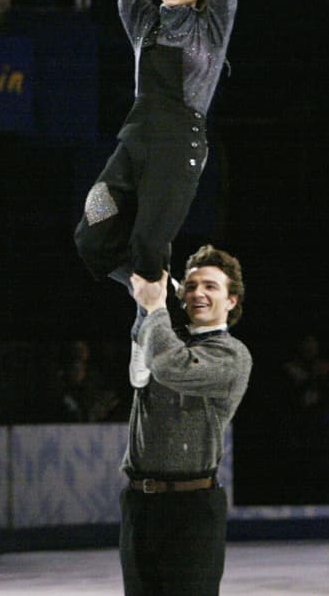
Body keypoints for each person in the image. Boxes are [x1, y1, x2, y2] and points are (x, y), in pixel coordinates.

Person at [74, 0, 246, 289]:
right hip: (135, 141)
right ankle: (158, 295)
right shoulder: (145, 22)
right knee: (92, 235)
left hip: (178, 145)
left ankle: (168, 323)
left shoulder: (212, 25)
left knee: (150, 246)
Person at [119, 245, 252, 596]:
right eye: (191, 286)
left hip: (191, 511)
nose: (198, 294)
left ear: (232, 300)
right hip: (139, 506)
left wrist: (154, 308)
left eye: (210, 286)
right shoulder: (165, 337)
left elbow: (171, 366)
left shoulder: (233, 355)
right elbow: (139, 372)